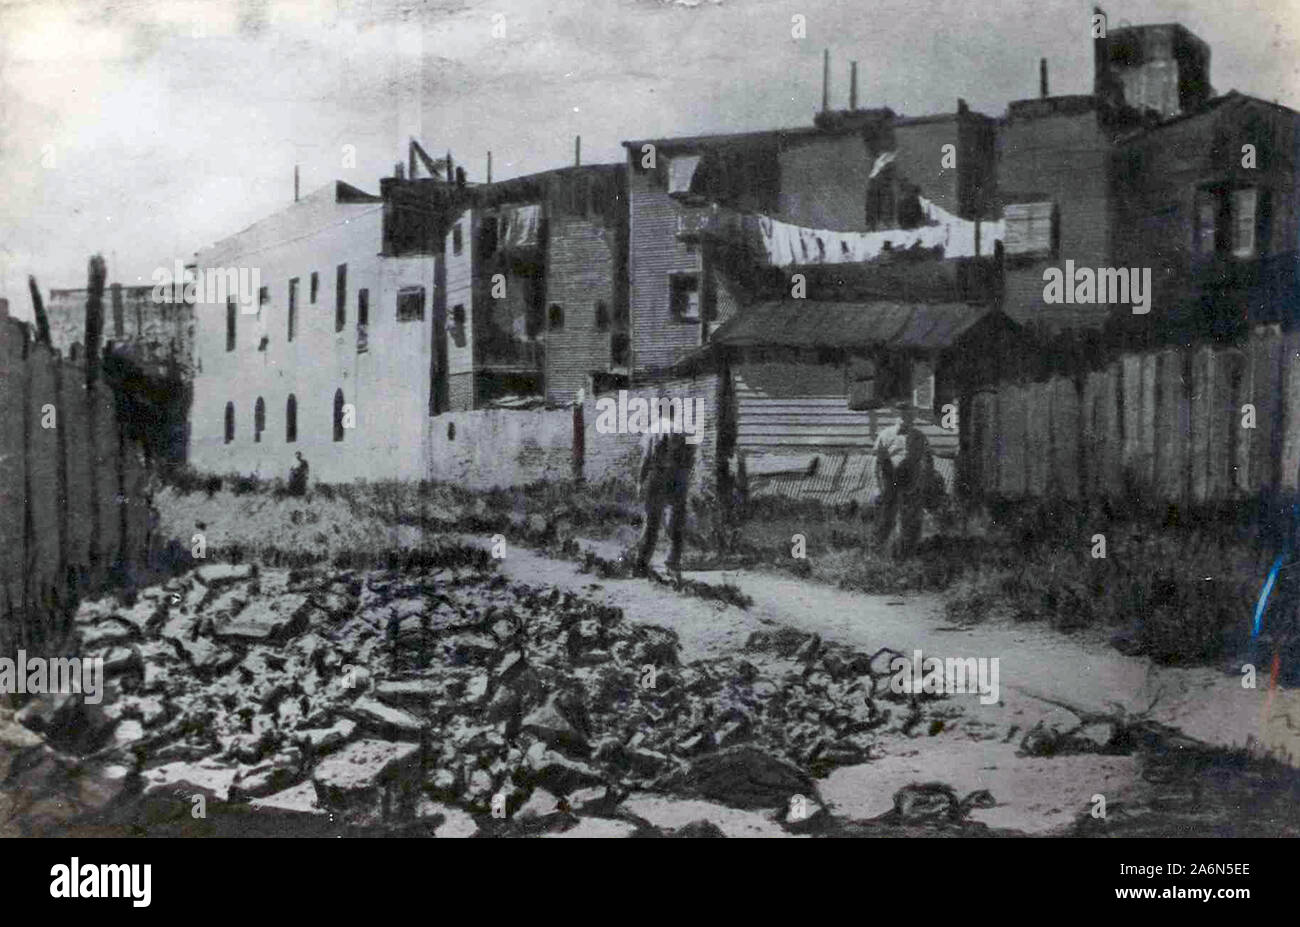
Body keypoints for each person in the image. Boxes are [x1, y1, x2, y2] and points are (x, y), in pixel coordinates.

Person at [635, 398, 695, 576]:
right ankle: (672, 563)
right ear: (673, 411)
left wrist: (640, 481)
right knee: (675, 521)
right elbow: (690, 459)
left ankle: (642, 563)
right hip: (677, 477)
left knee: (652, 521)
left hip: (657, 476)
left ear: (659, 411)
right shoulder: (682, 431)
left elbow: (645, 459)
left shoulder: (652, 430)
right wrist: (683, 476)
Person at [872, 403, 937, 559]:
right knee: (887, 519)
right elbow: (876, 463)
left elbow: (928, 460)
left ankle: (909, 555)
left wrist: (925, 482)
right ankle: (879, 554)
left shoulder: (920, 437)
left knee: (911, 520)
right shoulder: (885, 435)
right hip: (891, 482)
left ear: (913, 417)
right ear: (896, 415)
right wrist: (877, 486)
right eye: (902, 414)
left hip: (912, 483)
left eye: (909, 415)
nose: (905, 418)